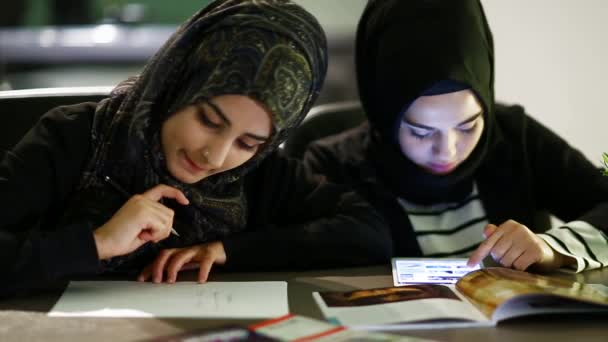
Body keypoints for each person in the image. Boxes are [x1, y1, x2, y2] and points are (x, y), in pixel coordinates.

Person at [0, 0, 392, 297]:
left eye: (247, 142)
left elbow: (368, 232)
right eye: (208, 121)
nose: (215, 158)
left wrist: (229, 250)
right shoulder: (70, 138)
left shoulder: (258, 173)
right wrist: (97, 243)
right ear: (176, 84)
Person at [303, 0, 608, 273]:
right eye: (421, 132)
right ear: (384, 113)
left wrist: (553, 248)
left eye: (467, 126)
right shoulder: (332, 165)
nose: (447, 151)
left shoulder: (516, 137)